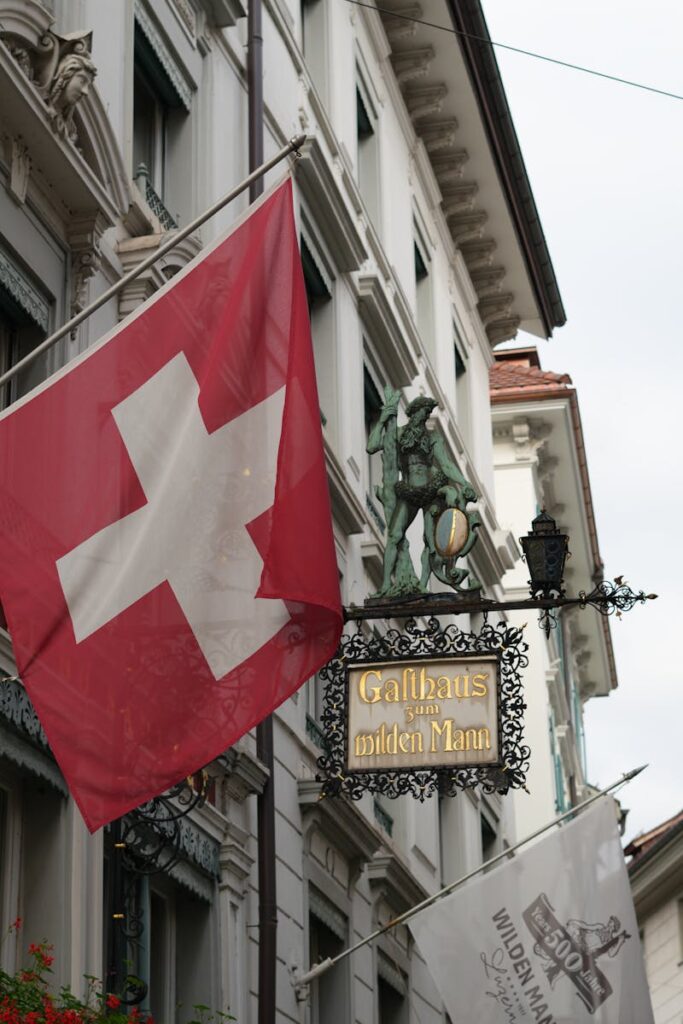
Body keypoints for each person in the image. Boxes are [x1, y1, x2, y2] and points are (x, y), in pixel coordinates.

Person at [367, 390, 477, 597]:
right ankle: (385, 585)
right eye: (424, 412)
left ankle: (423, 585)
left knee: (430, 540)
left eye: (428, 413)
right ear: (414, 412)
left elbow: (446, 465)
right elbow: (371, 446)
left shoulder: (433, 437)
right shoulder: (398, 433)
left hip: (430, 491)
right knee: (394, 535)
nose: (426, 417)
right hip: (408, 492)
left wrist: (464, 483)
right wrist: (382, 419)